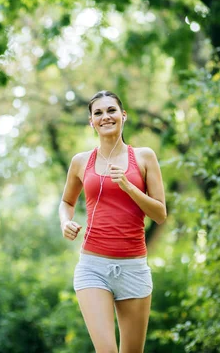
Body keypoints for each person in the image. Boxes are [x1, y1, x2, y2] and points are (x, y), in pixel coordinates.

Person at [59, 90, 166, 353]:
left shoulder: (144, 157)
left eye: (111, 110)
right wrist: (65, 223)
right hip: (93, 267)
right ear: (91, 122)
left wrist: (130, 187)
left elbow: (160, 214)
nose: (105, 117)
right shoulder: (81, 161)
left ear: (123, 116)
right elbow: (67, 203)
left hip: (133, 267)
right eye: (98, 113)